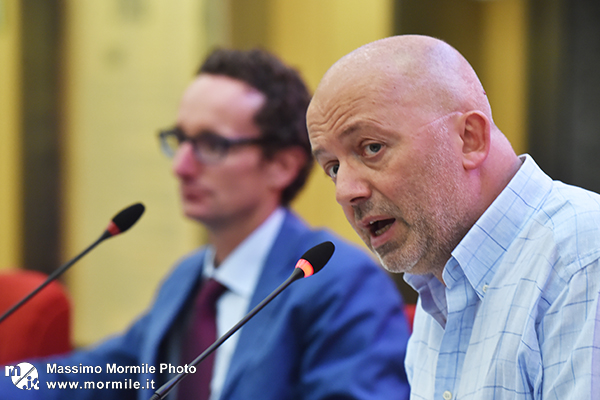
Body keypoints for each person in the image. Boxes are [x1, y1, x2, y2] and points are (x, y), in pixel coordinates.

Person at [0, 48, 411, 400]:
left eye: (212, 145)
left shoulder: (336, 282)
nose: (181, 166)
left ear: (282, 165)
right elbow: (91, 373)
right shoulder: (188, 279)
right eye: (181, 140)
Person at [307, 34, 600, 400]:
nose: (345, 191)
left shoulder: (583, 260)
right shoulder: (437, 289)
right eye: (332, 167)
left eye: (372, 148)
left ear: (470, 139)